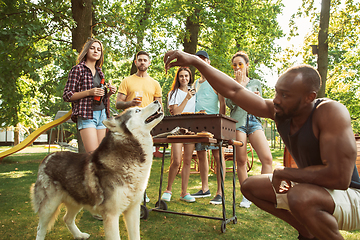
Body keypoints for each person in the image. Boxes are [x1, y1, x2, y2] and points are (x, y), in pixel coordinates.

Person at [163, 50, 360, 240]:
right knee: (250, 187)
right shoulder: (279, 111)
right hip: (314, 189)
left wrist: (285, 172)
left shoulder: (330, 112)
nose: (276, 100)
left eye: (285, 95)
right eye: (276, 92)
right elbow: (234, 90)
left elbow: (339, 178)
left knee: (300, 195)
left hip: (350, 196)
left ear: (310, 97)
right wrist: (196, 62)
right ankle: (308, 233)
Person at [226, 51, 273, 208]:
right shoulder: (230, 83)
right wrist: (238, 86)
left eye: (240, 64)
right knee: (241, 160)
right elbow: (230, 105)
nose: (237, 67)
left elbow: (261, 104)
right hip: (238, 122)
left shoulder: (256, 82)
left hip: (254, 121)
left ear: (247, 65)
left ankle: (263, 193)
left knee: (267, 159)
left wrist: (259, 98)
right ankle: (247, 196)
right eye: (235, 65)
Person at [116, 50, 162, 203]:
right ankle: (126, 191)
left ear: (149, 63)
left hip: (147, 127)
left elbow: (159, 107)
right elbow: (118, 104)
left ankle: (142, 192)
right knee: (128, 159)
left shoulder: (155, 84)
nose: (142, 62)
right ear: (135, 63)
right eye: (140, 60)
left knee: (144, 160)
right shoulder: (127, 81)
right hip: (130, 127)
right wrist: (130, 104)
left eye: (145, 60)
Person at [63, 38, 117, 154]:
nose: (95, 51)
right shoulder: (78, 69)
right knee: (92, 155)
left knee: (101, 156)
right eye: (92, 48)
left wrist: (110, 93)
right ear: (86, 51)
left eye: (99, 49)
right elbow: (67, 95)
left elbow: (100, 98)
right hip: (86, 115)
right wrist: (89, 92)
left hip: (101, 114)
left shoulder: (100, 72)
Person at [189, 50, 226, 205]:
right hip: (199, 123)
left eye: (204, 59)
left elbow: (222, 103)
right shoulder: (196, 83)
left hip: (214, 123)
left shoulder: (215, 80)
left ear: (209, 62)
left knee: (218, 157)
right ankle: (205, 189)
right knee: (201, 154)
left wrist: (221, 123)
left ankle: (220, 192)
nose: (202, 62)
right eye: (199, 60)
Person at [161, 67, 197, 203]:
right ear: (178, 78)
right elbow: (175, 112)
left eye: (186, 76)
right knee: (176, 160)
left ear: (190, 77)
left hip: (191, 129)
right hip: (176, 129)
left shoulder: (194, 92)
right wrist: (187, 98)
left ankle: (184, 192)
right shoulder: (173, 93)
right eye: (181, 76)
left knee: (187, 161)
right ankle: (168, 189)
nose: (184, 79)